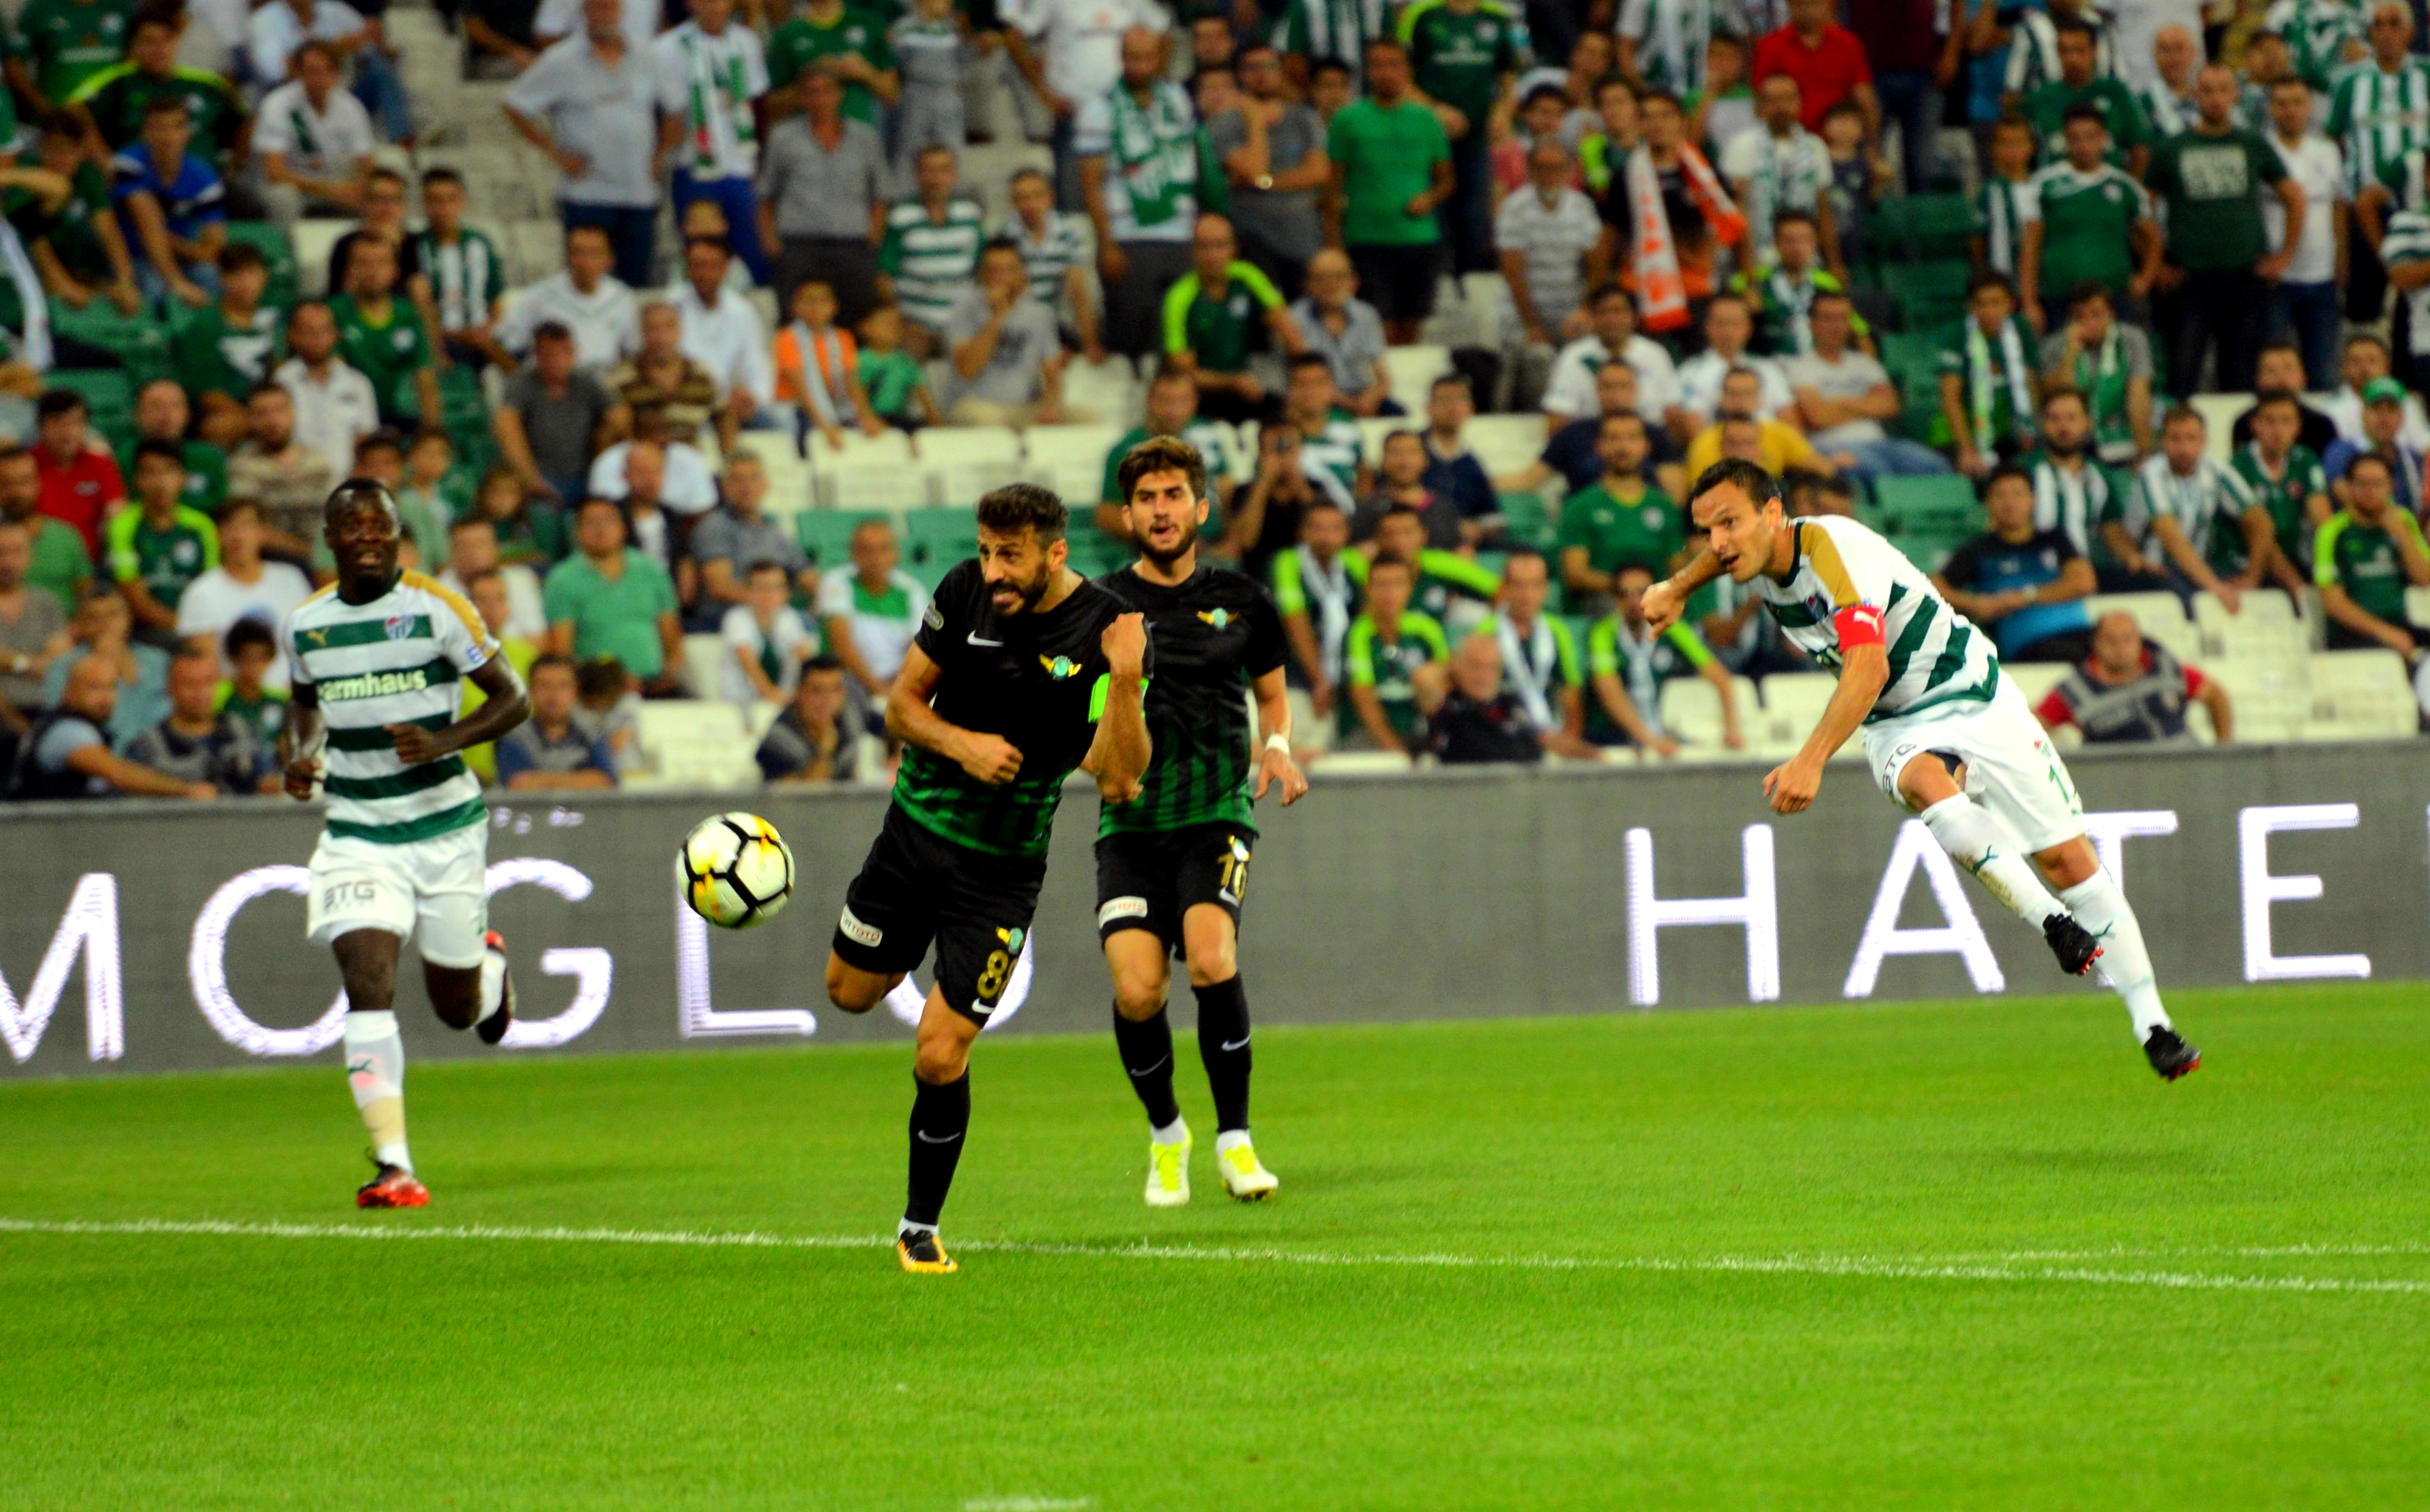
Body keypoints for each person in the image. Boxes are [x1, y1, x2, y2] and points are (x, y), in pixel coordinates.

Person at [1647, 458, 2202, 1080]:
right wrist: (1677, 587)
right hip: (1894, 723)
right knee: (1923, 782)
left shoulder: (1833, 550)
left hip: (1972, 692)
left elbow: (1869, 666)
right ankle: (2052, 922)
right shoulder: (1752, 556)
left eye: (1729, 523)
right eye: (1706, 530)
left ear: (1774, 513)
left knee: (2070, 864)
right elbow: (1721, 555)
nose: (1717, 542)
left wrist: (1810, 760)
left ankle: (2154, 1024)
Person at [820, 485, 1146, 1274]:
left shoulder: (1105, 629)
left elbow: (1118, 779)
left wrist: (1127, 678)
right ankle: (901, 944)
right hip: (911, 839)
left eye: (1011, 555)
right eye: (986, 550)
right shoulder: (964, 589)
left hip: (999, 873)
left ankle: (918, 1226)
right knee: (848, 992)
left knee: (940, 1053)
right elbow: (901, 708)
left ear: (1055, 553)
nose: (994, 569)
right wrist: (963, 745)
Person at [275, 480, 530, 1206]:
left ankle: (489, 972)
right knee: (367, 982)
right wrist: (299, 757)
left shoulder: (439, 608)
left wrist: (444, 740)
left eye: (378, 525)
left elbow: (513, 698)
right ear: (330, 539)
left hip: (444, 828)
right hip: (357, 830)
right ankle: (395, 1166)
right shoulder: (307, 626)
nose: (366, 535)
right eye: (351, 525)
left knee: (457, 1010)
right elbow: (304, 707)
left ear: (396, 535)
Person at [1093, 435, 1299, 1205]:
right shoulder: (1099, 609)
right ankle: (1167, 1133)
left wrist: (1277, 748)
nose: (1160, 509)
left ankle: (1235, 1141)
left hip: (1217, 812)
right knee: (1138, 992)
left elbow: (1272, 695)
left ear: (1200, 508)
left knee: (1212, 961)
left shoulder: (1243, 598)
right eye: (1146, 498)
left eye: (1173, 495)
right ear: (1127, 516)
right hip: (1130, 823)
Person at [2144, 64, 2304, 402]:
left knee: (2241, 379)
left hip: (2245, 277)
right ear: (2194, 95)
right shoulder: (2172, 148)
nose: (2216, 99)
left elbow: (2294, 197)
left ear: (2235, 95)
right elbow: (2141, 211)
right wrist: (2155, 265)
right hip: (2190, 281)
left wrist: (2284, 257)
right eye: (2207, 91)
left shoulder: (2252, 143)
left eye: (2223, 90)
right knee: (2183, 375)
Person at [503, 0, 662, 289]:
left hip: (638, 193)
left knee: (637, 286)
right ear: (585, 13)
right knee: (584, 285)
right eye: (598, 8)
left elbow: (675, 109)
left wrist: (660, 156)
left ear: (621, 12)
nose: (605, 16)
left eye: (610, 8)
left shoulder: (646, 54)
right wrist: (556, 153)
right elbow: (514, 104)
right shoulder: (561, 60)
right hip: (587, 194)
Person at [1076, 28, 1206, 359]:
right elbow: (1091, 183)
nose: (1141, 66)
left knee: (1182, 334)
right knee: (1133, 335)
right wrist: (1106, 244)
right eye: (1133, 58)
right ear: (1121, 58)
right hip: (1128, 235)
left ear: (1160, 58)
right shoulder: (1098, 107)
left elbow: (1191, 161)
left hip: (1181, 232)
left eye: (1148, 58)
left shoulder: (1177, 97)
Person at [1327, 38, 1454, 346]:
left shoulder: (1427, 120)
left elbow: (1447, 181)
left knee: (1411, 328)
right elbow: (1332, 188)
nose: (1386, 73)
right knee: (1378, 327)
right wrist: (1334, 246)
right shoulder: (1347, 120)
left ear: (1409, 71)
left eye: (1394, 65)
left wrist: (1428, 199)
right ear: (1367, 73)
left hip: (1419, 239)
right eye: (1377, 65)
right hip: (1367, 239)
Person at [1600, 87, 1746, 338]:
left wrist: (1749, 283)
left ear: (1682, 122)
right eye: (1648, 117)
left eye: (1666, 115)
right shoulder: (1624, 177)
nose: (1657, 124)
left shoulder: (1705, 172)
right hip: (1644, 293)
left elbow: (1735, 227)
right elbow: (1609, 239)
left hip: (1698, 292)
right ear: (1639, 124)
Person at [755, 69, 888, 326]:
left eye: (826, 92)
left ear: (839, 95)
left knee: (857, 319)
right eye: (812, 93)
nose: (820, 100)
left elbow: (880, 194)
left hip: (852, 243)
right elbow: (766, 195)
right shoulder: (783, 138)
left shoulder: (866, 138)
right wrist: (771, 242)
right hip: (799, 245)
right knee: (794, 323)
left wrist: (873, 237)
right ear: (802, 98)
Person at [2327, 0, 2430, 328]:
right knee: (2365, 312)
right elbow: (2333, 138)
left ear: (2411, 32)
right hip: (2366, 213)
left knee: (2417, 310)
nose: (2386, 32)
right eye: (2378, 24)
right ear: (2369, 32)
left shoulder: (2426, 74)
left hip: (2421, 214)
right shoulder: (2348, 81)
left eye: (2394, 23)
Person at [653, 0, 769, 286]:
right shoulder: (668, 48)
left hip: (740, 166)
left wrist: (759, 161)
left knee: (751, 251)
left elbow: (757, 103)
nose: (714, 6)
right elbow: (667, 112)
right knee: (699, 251)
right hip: (695, 166)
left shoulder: (747, 42)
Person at [1932, 464, 2096, 662]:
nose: (2010, 504)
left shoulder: (2055, 539)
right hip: (2030, 645)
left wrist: (2024, 597)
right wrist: (1976, 604)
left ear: (2032, 500)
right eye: (2000, 496)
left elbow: (2084, 583)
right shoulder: (1977, 551)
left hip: (2081, 633)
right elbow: (1932, 586)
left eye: (2018, 494)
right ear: (1987, 503)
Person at [2111, 407, 2266, 614]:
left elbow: (2261, 521)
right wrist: (2217, 589)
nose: (2183, 448)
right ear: (2162, 442)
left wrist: (2252, 577)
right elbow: (2172, 539)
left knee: (2253, 595)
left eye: (2191, 439)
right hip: (2153, 566)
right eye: (2175, 439)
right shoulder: (2151, 473)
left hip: (2198, 567)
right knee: (2194, 604)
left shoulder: (2215, 469)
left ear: (2204, 441)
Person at [2020, 105, 2160, 333]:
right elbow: (2031, 246)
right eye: (2075, 138)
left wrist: (2145, 280)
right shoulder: (2044, 185)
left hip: (2116, 299)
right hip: (2060, 300)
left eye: (2091, 137)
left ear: (2104, 138)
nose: (2083, 146)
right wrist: (2029, 302)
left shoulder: (2126, 186)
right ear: (2065, 141)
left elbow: (2153, 239)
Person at [8, 647, 216, 800]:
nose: (105, 698)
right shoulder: (68, 732)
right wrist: (186, 790)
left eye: (110, 688)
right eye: (94, 688)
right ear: (69, 692)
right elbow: (118, 774)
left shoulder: (91, 729)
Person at [1207, 42, 1328, 299]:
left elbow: (1318, 173)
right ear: (1240, 75)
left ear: (1280, 71)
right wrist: (1256, 124)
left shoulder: (1305, 119)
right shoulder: (1224, 125)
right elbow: (1254, 170)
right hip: (1253, 239)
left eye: (1269, 66)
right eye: (1252, 68)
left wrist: (1266, 183)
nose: (1261, 74)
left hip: (1303, 238)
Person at [1788, 292, 1947, 486]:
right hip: (1832, 447)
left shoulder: (1865, 363)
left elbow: (1890, 405)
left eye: (1842, 318)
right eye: (1828, 319)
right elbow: (1819, 416)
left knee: (1935, 465)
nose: (1836, 326)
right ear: (1812, 324)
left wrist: (1841, 404)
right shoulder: (1799, 366)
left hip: (1881, 443)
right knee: (1876, 471)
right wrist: (1866, 404)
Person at [1584, 561, 1742, 754]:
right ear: (1615, 599)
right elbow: (1609, 691)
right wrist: (1651, 741)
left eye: (1642, 592)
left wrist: (1731, 729)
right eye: (1624, 594)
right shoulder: (1603, 634)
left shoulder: (1672, 628)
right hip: (1617, 740)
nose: (1634, 601)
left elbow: (1720, 678)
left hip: (1666, 734)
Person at [1161, 213, 1299, 425]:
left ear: (1233, 249)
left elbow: (1289, 332)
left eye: (1220, 245)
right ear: (1193, 251)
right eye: (1204, 247)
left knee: (1287, 413)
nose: (1212, 255)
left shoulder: (1248, 276)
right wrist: (1231, 382)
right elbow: (1183, 374)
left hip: (1245, 385)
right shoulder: (1179, 297)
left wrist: (1302, 383)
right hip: (1203, 393)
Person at [1496, 137, 1604, 405]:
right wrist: (1533, 325)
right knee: (1540, 358)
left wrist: (1585, 310)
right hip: (1523, 314)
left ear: (1570, 170)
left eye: (1557, 168)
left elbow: (1597, 266)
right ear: (1530, 171)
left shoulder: (1582, 207)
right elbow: (1514, 274)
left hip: (1571, 310)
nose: (1550, 176)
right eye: (1542, 168)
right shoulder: (1514, 208)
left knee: (1592, 356)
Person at [543, 495, 683, 694]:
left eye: (609, 520)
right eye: (591, 522)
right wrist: (606, 682)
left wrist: (667, 674)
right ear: (577, 531)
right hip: (596, 690)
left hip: (654, 686)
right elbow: (562, 651)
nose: (601, 528)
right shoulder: (562, 579)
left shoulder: (652, 571)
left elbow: (673, 639)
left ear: (624, 528)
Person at [2036, 607, 2235, 742]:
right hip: (2122, 783)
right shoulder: (2074, 691)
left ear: (2139, 640)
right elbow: (2032, 726)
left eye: (2127, 639)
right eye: (2111, 641)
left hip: (2187, 769)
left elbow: (2215, 696)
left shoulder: (2168, 669)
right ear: (2096, 643)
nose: (2121, 648)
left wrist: (2224, 747)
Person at [2261, 76, 2344, 391]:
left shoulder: (2328, 151)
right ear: (2271, 109)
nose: (2290, 111)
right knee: (2275, 376)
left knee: (2323, 374)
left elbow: (2339, 206)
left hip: (2322, 275)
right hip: (2276, 280)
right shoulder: (2261, 149)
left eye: (2297, 103)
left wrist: (2342, 260)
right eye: (2281, 104)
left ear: (2310, 107)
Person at [2313, 451, 2430, 662]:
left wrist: (2402, 535)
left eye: (2378, 484)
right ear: (2348, 487)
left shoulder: (2404, 520)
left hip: (2400, 623)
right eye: (2362, 484)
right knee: (2390, 653)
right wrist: (2386, 633)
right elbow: (2333, 602)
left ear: (2392, 487)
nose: (2370, 491)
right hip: (2351, 633)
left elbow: (2424, 579)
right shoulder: (2332, 532)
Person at [1096, 365, 1236, 541]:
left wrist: (1232, 541)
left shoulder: (1208, 435)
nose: (1174, 410)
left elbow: (1227, 492)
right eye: (1165, 401)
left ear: (1195, 402)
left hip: (1215, 544)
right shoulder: (1127, 451)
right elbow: (1107, 514)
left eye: (1182, 401)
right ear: (1150, 401)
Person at [112, 97, 226, 309]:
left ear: (187, 133)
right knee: (155, 288)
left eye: (176, 127)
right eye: (158, 128)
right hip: (133, 257)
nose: (167, 136)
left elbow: (212, 249)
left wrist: (166, 240)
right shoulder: (127, 164)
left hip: (181, 258)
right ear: (145, 133)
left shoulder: (205, 178)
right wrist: (177, 282)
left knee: (211, 277)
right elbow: (146, 221)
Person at [941, 239, 1067, 427]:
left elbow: (1052, 374)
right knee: (989, 422)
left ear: (1022, 274)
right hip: (972, 405)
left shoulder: (1040, 314)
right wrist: (997, 317)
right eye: (993, 270)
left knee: (1088, 420)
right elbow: (968, 369)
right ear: (982, 275)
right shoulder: (964, 307)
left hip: (1023, 408)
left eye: (1009, 270)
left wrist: (1051, 405)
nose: (1000, 277)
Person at [249, 40, 376, 224]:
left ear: (337, 73)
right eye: (314, 71)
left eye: (328, 70)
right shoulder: (277, 104)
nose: (322, 78)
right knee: (282, 195)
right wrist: (330, 190)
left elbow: (366, 161)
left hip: (335, 181)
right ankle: (287, 242)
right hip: (294, 186)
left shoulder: (350, 106)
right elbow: (274, 172)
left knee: (386, 174)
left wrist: (360, 187)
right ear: (299, 73)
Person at [876, 143, 986, 354]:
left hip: (962, 323)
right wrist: (902, 320)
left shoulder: (970, 215)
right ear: (917, 176)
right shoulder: (901, 217)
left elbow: (983, 268)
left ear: (954, 175)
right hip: (914, 324)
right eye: (929, 171)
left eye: (944, 170)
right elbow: (884, 276)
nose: (936, 179)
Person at [101, 441, 213, 646]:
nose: (161, 482)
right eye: (150, 473)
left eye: (169, 471)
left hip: (196, 629)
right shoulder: (122, 526)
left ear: (183, 478)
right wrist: (185, 629)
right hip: (141, 633)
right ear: (137, 480)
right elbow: (134, 598)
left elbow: (210, 586)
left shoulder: (202, 526)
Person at [1721, 72, 1839, 266]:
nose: (1781, 107)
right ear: (1760, 106)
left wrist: (1835, 263)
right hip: (1758, 258)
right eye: (1773, 100)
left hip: (1806, 259)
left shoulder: (1815, 146)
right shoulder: (1743, 144)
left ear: (1799, 104)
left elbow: (1824, 209)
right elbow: (1736, 209)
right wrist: (1746, 265)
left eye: (1788, 99)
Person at [124, 644, 275, 794]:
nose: (200, 694)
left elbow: (267, 776)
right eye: (190, 684)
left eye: (208, 682)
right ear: (170, 688)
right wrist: (181, 791)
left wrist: (272, 785)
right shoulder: (148, 746)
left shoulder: (242, 730)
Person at [815, 514, 925, 715]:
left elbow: (919, 648)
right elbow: (841, 644)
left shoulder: (912, 590)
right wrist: (877, 689)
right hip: (848, 682)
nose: (875, 557)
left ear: (896, 553)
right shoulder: (836, 582)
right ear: (853, 553)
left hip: (896, 681)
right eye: (866, 550)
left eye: (883, 549)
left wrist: (897, 686)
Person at [330, 236, 440, 436]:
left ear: (395, 270)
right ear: (350, 269)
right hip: (350, 418)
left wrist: (432, 432)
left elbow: (425, 376)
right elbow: (334, 376)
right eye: (364, 263)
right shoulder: (334, 312)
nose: (373, 271)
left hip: (402, 417)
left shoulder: (408, 315)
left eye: (381, 262)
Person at [175, 497, 311, 656]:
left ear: (263, 532)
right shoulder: (200, 593)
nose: (238, 535)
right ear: (217, 534)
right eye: (229, 527)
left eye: (247, 525)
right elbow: (203, 664)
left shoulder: (291, 579)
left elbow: (310, 640)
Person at [497, 324, 615, 508]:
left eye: (566, 353)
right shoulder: (521, 384)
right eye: (551, 354)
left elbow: (619, 416)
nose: (559, 360)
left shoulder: (587, 383)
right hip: (541, 478)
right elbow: (507, 428)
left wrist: (602, 448)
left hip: (586, 477)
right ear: (537, 355)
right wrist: (532, 480)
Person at [1340, 552, 1448, 753]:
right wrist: (1396, 751)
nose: (1389, 593)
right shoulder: (1358, 634)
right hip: (1367, 734)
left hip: (1418, 729)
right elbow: (1364, 700)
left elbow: (1447, 681)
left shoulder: (1427, 629)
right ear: (1368, 589)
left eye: (1397, 584)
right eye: (1381, 585)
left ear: (1410, 588)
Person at [2231, 388, 2334, 596]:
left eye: (2286, 421)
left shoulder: (2305, 459)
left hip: (2293, 556)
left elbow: (2322, 518)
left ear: (2298, 427)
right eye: (2269, 421)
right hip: (2248, 560)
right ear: (2255, 425)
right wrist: (2297, 586)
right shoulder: (2239, 467)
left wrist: (2332, 571)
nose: (2278, 430)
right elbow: (2259, 534)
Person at [496, 225, 639, 373]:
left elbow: (632, 352)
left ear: (610, 259)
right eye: (579, 253)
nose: (587, 262)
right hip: (554, 382)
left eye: (595, 253)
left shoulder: (622, 297)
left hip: (605, 381)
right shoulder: (540, 296)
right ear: (569, 258)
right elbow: (504, 344)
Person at [1541, 283, 1683, 429]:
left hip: (1647, 435)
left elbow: (1672, 410)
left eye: (1618, 311)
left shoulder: (1655, 353)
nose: (1611, 319)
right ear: (1592, 318)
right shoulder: (1574, 355)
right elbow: (1558, 415)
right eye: (1603, 312)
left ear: (1634, 317)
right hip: (1590, 436)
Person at [1937, 271, 2038, 478]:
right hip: (1960, 436)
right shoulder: (1957, 334)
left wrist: (2031, 430)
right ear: (1970, 307)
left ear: (2011, 304)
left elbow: (2031, 384)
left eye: (1996, 303)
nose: (1989, 311)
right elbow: (1950, 397)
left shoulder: (2021, 329)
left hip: (2008, 435)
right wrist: (1967, 450)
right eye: (1981, 304)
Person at [690, 452, 814, 618]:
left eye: (754, 478)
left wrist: (823, 595)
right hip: (728, 619)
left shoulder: (773, 528)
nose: (746, 487)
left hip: (774, 616)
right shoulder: (714, 527)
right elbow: (721, 588)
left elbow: (806, 574)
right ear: (725, 487)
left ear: (765, 484)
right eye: (737, 480)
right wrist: (770, 602)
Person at [2020, 21, 2151, 177]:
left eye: (2079, 50)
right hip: (2054, 188)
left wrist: (2130, 187)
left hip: (2109, 188)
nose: (2072, 58)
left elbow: (2140, 148)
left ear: (2094, 51)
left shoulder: (2116, 94)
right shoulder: (2038, 100)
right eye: (2065, 51)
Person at [227, 382, 337, 566]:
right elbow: (252, 528)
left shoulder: (318, 461)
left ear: (293, 413)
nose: (272, 420)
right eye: (262, 413)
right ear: (251, 419)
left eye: (279, 410)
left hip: (322, 560)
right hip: (270, 562)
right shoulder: (242, 466)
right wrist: (312, 555)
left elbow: (333, 516)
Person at [412, 168, 508, 371]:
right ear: (425, 204)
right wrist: (455, 335)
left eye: (451, 199)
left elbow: (496, 300)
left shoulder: (481, 243)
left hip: (483, 337)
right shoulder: (415, 247)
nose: (445, 208)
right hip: (441, 341)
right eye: (436, 201)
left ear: (462, 202)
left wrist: (489, 330)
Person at [1735, 210, 1862, 359]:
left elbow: (1858, 331)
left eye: (1804, 240)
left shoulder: (1827, 284)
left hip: (1816, 364)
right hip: (1766, 363)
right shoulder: (1751, 281)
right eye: (1789, 240)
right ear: (1776, 243)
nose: (1797, 247)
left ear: (1815, 243)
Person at [1287, 248, 1392, 418]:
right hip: (1317, 399)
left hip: (1362, 395)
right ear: (1307, 284)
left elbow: (1382, 374)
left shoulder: (1367, 314)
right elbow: (1305, 377)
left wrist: (1373, 397)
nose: (1330, 284)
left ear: (1354, 282)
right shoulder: (1294, 319)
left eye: (1339, 277)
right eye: (1321, 278)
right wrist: (1351, 405)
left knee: (1400, 416)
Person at [492, 651, 616, 789]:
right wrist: (580, 780)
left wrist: (544, 781)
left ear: (575, 692)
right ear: (530, 691)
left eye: (563, 686)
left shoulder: (593, 732)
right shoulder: (513, 736)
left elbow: (606, 782)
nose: (554, 696)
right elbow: (518, 784)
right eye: (544, 685)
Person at [1414, 631, 1544, 762]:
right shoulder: (1446, 704)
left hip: (1512, 770)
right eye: (1476, 666)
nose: (1483, 677)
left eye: (1492, 667)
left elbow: (1534, 747)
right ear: (1455, 664)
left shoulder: (1509, 704)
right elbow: (1424, 679)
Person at [1673, 294, 1792, 436]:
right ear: (1707, 327)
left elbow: (1790, 424)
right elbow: (1692, 428)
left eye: (1735, 324)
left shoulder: (1769, 369)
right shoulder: (1689, 372)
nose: (1728, 331)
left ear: (1749, 328)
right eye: (1721, 323)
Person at [1683, 365, 1829, 479]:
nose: (1741, 401)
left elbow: (1821, 467)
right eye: (1734, 394)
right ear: (1722, 399)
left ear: (1760, 398)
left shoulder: (1779, 433)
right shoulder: (1705, 442)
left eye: (1748, 393)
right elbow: (1700, 495)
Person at [0, 518, 72, 733]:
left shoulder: (46, 603)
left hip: (49, 711)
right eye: (1, 553)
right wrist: (19, 726)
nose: (7, 562)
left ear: (29, 556)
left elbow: (58, 664)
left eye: (16, 552)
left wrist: (13, 662)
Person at [2323, 377, 2426, 515]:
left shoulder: (2412, 458)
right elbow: (2345, 496)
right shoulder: (2343, 452)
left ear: (2401, 416)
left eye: (2391, 410)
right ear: (2364, 413)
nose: (2384, 418)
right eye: (2377, 409)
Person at [440, 515, 549, 642]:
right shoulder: (436, 594)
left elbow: (539, 639)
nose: (474, 553)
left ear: (496, 547)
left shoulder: (521, 579)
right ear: (452, 551)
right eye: (465, 546)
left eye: (481, 543)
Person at [756, 652, 859, 781]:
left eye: (836, 689)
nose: (827, 699)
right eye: (817, 690)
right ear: (799, 693)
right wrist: (824, 754)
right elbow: (799, 793)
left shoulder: (850, 717)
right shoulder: (779, 738)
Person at [1418, 374, 1499, 538]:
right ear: (1429, 408)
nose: (1453, 407)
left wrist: (1479, 530)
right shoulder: (1412, 452)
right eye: (1445, 400)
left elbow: (1492, 517)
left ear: (1471, 408)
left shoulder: (1471, 463)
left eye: (1460, 400)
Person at [2229, 342, 2341, 456]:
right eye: (2271, 371)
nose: (2281, 378)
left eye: (2288, 369)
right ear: (2258, 379)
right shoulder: (2245, 424)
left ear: (2303, 376)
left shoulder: (2321, 426)